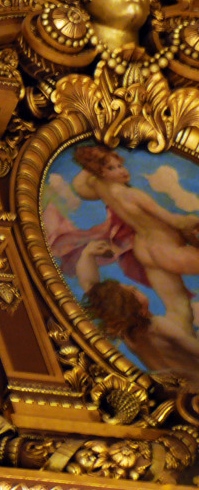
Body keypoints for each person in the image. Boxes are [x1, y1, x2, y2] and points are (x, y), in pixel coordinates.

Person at [71, 144, 199, 334]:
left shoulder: (101, 190)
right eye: (111, 168)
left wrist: (93, 162)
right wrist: (193, 219)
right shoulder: (132, 195)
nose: (122, 171)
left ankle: (186, 339)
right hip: (166, 249)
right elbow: (174, 222)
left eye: (120, 165)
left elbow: (78, 186)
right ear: (100, 171)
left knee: (177, 308)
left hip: (145, 249)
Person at [83, 278, 199, 386]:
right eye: (133, 291)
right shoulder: (158, 325)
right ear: (133, 305)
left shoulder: (128, 338)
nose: (134, 287)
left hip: (176, 387)